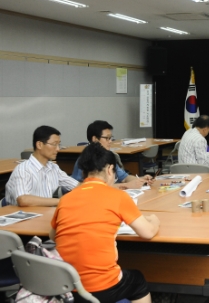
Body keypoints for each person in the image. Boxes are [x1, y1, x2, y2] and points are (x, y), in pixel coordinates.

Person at [50, 142, 160, 303]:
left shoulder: (65, 199)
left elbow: (52, 236)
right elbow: (148, 233)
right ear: (110, 170)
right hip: (100, 287)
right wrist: (154, 220)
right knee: (138, 280)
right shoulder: (118, 197)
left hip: (65, 287)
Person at [5, 126, 78, 207]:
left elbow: (76, 186)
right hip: (23, 216)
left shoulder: (53, 168)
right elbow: (23, 200)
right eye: (54, 144)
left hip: (44, 214)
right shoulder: (23, 170)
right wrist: (61, 201)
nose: (58, 149)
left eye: (59, 144)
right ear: (39, 145)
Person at [71, 120, 152, 189]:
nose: (110, 141)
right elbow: (87, 187)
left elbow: (124, 177)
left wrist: (140, 180)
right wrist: (126, 185)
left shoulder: (108, 156)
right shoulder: (86, 159)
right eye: (107, 138)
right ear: (95, 139)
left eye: (111, 138)